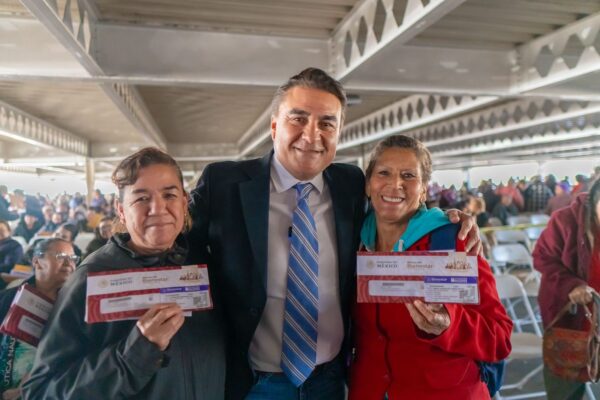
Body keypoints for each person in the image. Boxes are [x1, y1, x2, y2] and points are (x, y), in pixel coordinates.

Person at [188, 67, 480, 400]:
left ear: (339, 133)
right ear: (274, 126)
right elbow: (179, 247)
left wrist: (448, 220)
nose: (312, 135)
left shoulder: (350, 184)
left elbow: (397, 214)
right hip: (255, 383)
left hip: (331, 381)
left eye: (327, 124)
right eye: (298, 119)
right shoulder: (223, 184)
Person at [23, 148, 225, 400]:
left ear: (184, 203)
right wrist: (136, 352)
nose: (158, 208)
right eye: (141, 199)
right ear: (120, 210)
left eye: (169, 195)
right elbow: (41, 392)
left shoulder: (204, 265)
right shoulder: (92, 278)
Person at [348, 135, 512, 399]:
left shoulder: (454, 240)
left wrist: (449, 325)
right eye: (384, 173)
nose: (395, 184)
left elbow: (500, 338)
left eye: (409, 176)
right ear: (368, 184)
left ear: (424, 189)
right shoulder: (352, 241)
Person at [533, 178, 600, 400]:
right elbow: (542, 257)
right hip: (572, 321)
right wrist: (572, 286)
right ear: (594, 202)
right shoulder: (565, 221)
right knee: (565, 388)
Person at [0, 238, 77, 400]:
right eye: (61, 256)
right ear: (37, 261)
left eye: (73, 258)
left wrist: (26, 389)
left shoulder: (75, 307)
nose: (68, 263)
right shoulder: (7, 299)